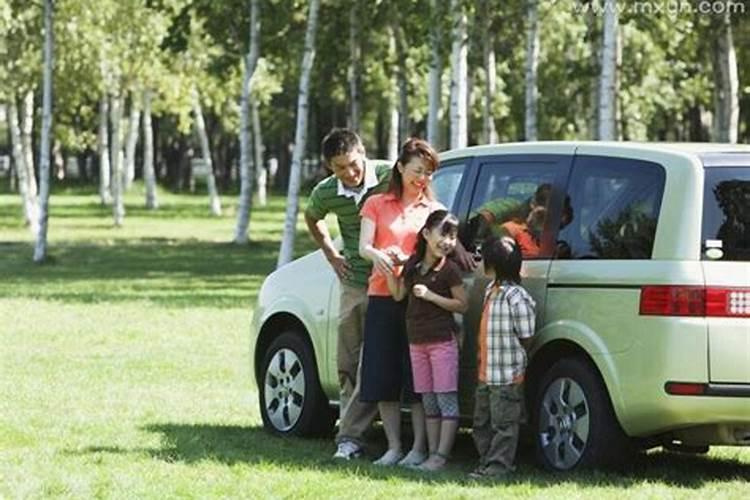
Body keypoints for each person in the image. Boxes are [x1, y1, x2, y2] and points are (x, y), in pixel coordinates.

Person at [358, 138, 444, 466]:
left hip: (418, 302)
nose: (422, 178)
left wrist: (407, 259)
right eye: (417, 171)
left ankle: (419, 448)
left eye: (429, 173)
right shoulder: (377, 203)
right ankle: (393, 446)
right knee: (383, 374)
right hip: (381, 296)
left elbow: (436, 254)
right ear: (400, 167)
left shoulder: (434, 211)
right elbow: (365, 246)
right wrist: (381, 255)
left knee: (418, 378)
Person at [304, 128, 390, 460]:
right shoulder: (327, 192)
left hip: (386, 281)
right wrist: (330, 253)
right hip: (354, 281)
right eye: (340, 168)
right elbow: (313, 217)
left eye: (353, 164)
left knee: (373, 359)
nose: (349, 174)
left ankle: (349, 437)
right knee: (347, 361)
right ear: (330, 167)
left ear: (363, 153)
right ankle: (354, 434)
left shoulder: (387, 176)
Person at [384, 210, 467, 471]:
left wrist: (431, 296)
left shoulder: (450, 270)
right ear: (427, 234)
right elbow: (398, 295)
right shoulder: (412, 266)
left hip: (442, 342)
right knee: (428, 400)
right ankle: (432, 454)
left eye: (453, 237)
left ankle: (441, 456)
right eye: (444, 234)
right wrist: (389, 268)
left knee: (446, 399)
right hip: (416, 343)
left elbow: (462, 305)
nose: (448, 242)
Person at [470, 235, 537, 479]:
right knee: (482, 421)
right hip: (486, 373)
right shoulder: (491, 291)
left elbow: (527, 334)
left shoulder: (516, 297)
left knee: (504, 423)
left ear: (493, 265)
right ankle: (486, 462)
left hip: (507, 374)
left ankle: (499, 467)